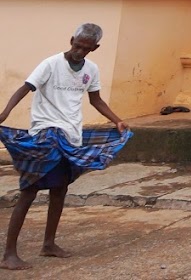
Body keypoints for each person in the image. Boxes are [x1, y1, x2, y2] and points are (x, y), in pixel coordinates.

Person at [0, 23, 129, 271]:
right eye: (77, 45)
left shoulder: (91, 70)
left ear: (95, 48)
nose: (79, 51)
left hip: (71, 134)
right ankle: (9, 254)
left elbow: (96, 99)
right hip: (46, 133)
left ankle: (49, 244)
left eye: (85, 48)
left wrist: (117, 120)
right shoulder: (50, 64)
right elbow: (25, 88)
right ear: (71, 40)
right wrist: (5, 112)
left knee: (60, 189)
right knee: (29, 190)